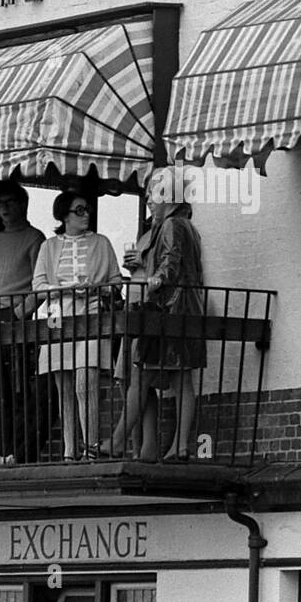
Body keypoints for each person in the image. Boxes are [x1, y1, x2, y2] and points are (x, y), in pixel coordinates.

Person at [105, 189, 206, 462]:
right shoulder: (189, 228)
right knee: (181, 377)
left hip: (166, 308)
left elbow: (170, 263)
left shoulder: (171, 225)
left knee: (141, 374)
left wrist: (153, 281)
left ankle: (115, 442)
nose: (149, 200)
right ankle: (180, 446)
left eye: (154, 195)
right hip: (187, 308)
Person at [32, 190, 121, 461]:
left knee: (87, 381)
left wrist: (97, 288)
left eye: (87, 209)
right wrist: (63, 288)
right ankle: (70, 451)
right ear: (65, 215)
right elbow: (38, 287)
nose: (86, 215)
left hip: (91, 315)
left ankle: (91, 448)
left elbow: (116, 281)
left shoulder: (102, 243)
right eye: (79, 210)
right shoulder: (48, 246)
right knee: (65, 386)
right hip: (58, 316)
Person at [0, 181, 47, 464]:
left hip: (16, 317)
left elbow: (40, 281)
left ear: (23, 204)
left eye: (10, 202)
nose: (4, 208)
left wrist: (22, 311)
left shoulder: (35, 238)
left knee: (18, 387)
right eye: (0, 203)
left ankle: (16, 453)